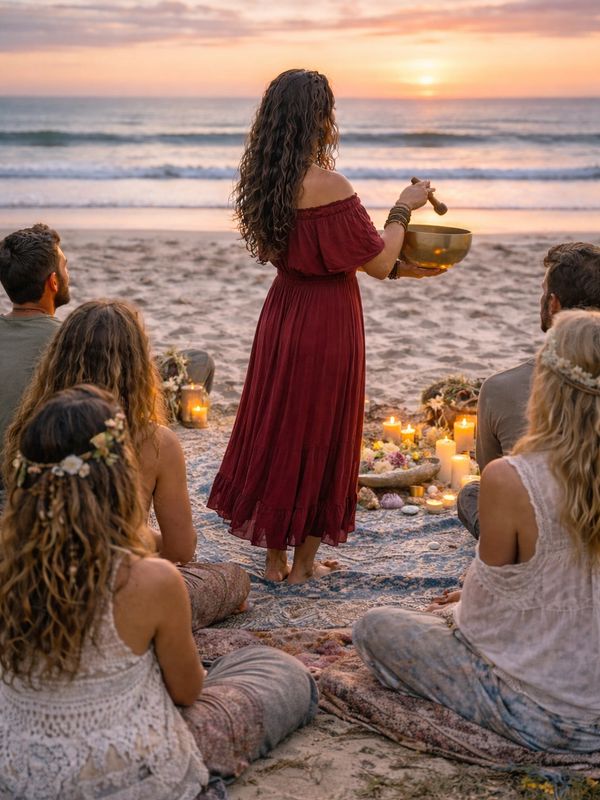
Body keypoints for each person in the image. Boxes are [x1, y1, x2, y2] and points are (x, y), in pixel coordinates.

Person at [0, 385, 317, 798]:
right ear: (119, 478)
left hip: (18, 774)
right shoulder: (150, 579)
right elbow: (187, 692)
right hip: (131, 775)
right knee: (280, 672)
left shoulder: (9, 568)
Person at [207, 68, 443, 584]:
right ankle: (304, 566)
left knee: (279, 426)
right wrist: (404, 207)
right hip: (329, 320)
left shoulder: (262, 182)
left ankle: (272, 561)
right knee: (322, 431)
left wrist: (394, 259)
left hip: (283, 313)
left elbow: (325, 251)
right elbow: (378, 263)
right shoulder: (330, 185)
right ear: (320, 119)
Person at [354, 309, 600, 752]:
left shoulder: (514, 477)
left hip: (546, 714)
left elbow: (482, 628)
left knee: (375, 627)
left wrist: (463, 604)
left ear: (545, 388)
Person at [3, 300, 250, 628]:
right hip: (121, 595)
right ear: (138, 366)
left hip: (41, 584)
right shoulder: (156, 440)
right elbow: (180, 552)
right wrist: (135, 533)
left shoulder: (34, 425)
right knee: (234, 579)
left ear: (57, 359)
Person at [458, 241, 600, 539]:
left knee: (471, 494)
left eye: (543, 291)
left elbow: (492, 476)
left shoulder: (500, 387)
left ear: (553, 305)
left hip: (533, 541)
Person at [0, 223, 70, 466]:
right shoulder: (68, 339)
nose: (67, 274)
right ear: (53, 282)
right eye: (65, 266)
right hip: (30, 473)